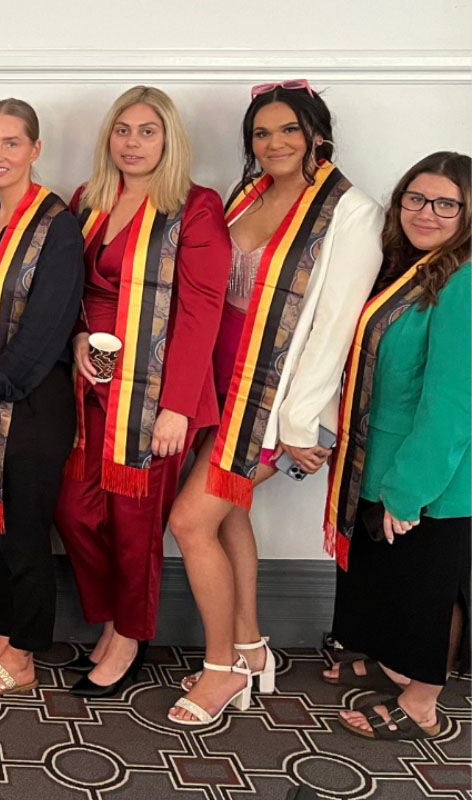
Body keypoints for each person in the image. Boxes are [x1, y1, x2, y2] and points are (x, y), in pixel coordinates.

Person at [166, 80, 382, 725]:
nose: (275, 143)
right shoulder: (246, 195)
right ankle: (253, 647)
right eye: (262, 133)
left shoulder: (351, 211)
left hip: (276, 398)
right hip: (220, 382)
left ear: (318, 133)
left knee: (190, 520)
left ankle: (221, 670)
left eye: (288, 130)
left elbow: (335, 327)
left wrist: (297, 424)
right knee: (227, 512)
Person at [54, 86, 230, 697]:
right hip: (93, 384)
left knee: (135, 520)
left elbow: (202, 309)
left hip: (156, 396)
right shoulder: (90, 200)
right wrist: (78, 338)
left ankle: (130, 636)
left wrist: (178, 405)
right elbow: (68, 288)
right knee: (74, 510)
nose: (132, 142)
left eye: (147, 131)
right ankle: (111, 619)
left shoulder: (196, 207)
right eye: (122, 129)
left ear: (169, 138)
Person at [323, 151, 470, 740]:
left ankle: (422, 702)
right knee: (392, 580)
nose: (426, 213)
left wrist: (410, 491)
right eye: (415, 198)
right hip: (382, 456)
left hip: (435, 472)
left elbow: (452, 400)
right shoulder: (410, 268)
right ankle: (391, 662)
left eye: (445, 204)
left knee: (428, 586)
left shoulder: (462, 282)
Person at [0, 99, 85, 698]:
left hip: (29, 402)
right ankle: (6, 636)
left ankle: (25, 655)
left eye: (9, 142)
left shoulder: (57, 224)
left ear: (35, 148)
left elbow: (49, 326)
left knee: (24, 529)